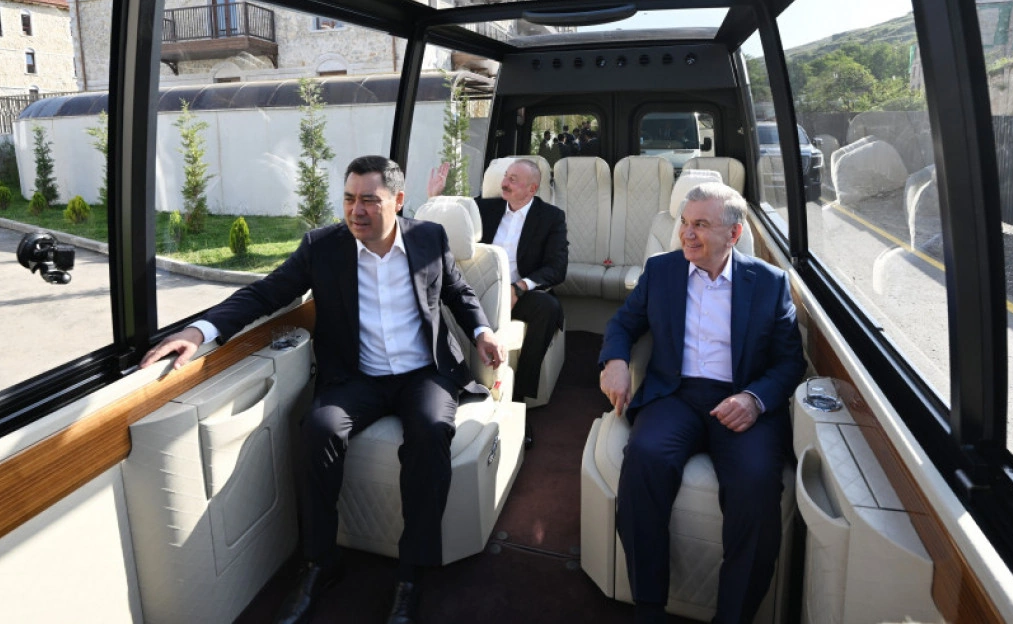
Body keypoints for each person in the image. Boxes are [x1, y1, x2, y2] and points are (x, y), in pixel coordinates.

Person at [140, 155, 505, 624]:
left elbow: (458, 292)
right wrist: (201, 331)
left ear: (398, 200)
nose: (356, 210)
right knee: (318, 429)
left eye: (369, 200)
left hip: (423, 374)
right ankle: (319, 562)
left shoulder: (428, 238)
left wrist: (481, 331)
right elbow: (267, 292)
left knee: (431, 431)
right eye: (349, 199)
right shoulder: (322, 247)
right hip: (356, 377)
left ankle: (411, 573)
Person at [598, 182, 805, 624]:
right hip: (675, 394)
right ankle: (648, 606)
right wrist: (614, 361)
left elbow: (790, 362)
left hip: (742, 399)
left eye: (701, 225)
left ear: (734, 233)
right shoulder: (661, 271)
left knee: (756, 488)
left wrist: (754, 399)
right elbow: (623, 323)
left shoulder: (769, 284)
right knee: (644, 460)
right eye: (685, 223)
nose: (687, 235)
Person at [427, 158, 567, 405]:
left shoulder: (551, 217)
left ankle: (519, 397)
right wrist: (435, 197)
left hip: (519, 295)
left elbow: (556, 268)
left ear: (532, 189)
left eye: (513, 179)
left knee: (549, 307)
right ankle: (447, 380)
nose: (504, 183)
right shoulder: (484, 207)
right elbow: (453, 216)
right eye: (505, 176)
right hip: (480, 290)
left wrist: (519, 288)